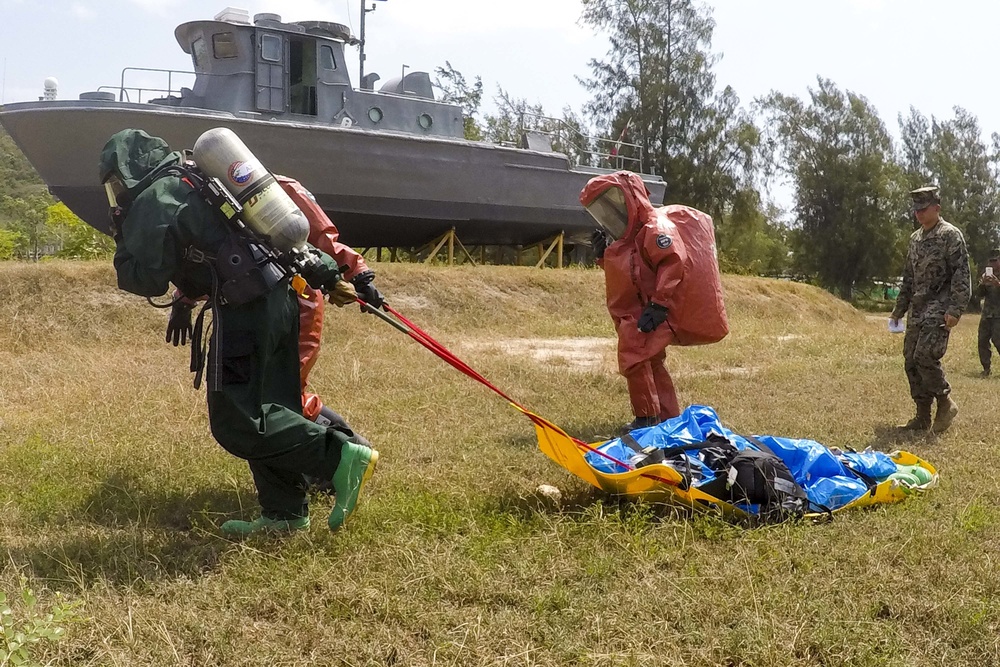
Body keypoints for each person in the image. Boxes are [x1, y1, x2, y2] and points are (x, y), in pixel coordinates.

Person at [102, 128, 378, 535]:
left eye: (112, 184)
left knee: (239, 420)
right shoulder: (191, 180)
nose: (114, 193)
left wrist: (122, 242)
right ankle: (284, 512)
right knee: (274, 405)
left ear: (123, 172)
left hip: (244, 310)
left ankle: (338, 455)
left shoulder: (152, 199)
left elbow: (146, 278)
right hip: (280, 301)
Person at [165, 174, 385, 436]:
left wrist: (359, 275)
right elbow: (214, 259)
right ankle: (324, 455)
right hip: (255, 308)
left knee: (283, 392)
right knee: (262, 392)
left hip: (290, 304)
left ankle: (344, 449)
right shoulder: (222, 194)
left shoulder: (267, 190)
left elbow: (317, 234)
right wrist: (184, 299)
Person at [580, 172, 692, 433]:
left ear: (630, 197)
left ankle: (648, 418)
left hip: (646, 311)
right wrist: (602, 256)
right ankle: (668, 417)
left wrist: (659, 305)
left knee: (633, 359)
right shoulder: (628, 238)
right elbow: (627, 272)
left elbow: (673, 262)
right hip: (636, 310)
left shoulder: (655, 229)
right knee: (652, 361)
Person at [889, 185, 971, 433]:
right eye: (916, 210)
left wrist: (956, 308)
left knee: (925, 355)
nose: (919, 214)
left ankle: (945, 403)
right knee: (910, 360)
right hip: (917, 308)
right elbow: (908, 278)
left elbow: (961, 273)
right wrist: (898, 310)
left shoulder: (950, 235)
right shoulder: (915, 239)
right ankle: (922, 416)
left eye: (923, 209)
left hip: (940, 306)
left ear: (937, 207)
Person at [975, 247, 1000, 377]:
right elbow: (978, 295)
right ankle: (986, 368)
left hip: (999, 316)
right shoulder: (987, 276)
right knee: (982, 341)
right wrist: (983, 284)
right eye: (991, 261)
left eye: (995, 260)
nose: (993, 264)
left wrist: (998, 284)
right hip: (987, 314)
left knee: (998, 341)